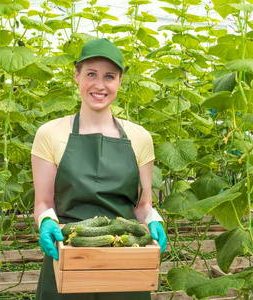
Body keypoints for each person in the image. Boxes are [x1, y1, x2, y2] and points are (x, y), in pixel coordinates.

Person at [31, 38, 167, 300]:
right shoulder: (49, 133)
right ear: (76, 76)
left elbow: (143, 204)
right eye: (91, 74)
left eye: (109, 77)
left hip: (127, 259)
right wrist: (46, 221)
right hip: (68, 254)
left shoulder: (140, 137)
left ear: (120, 82)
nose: (99, 85)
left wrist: (153, 220)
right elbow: (43, 201)